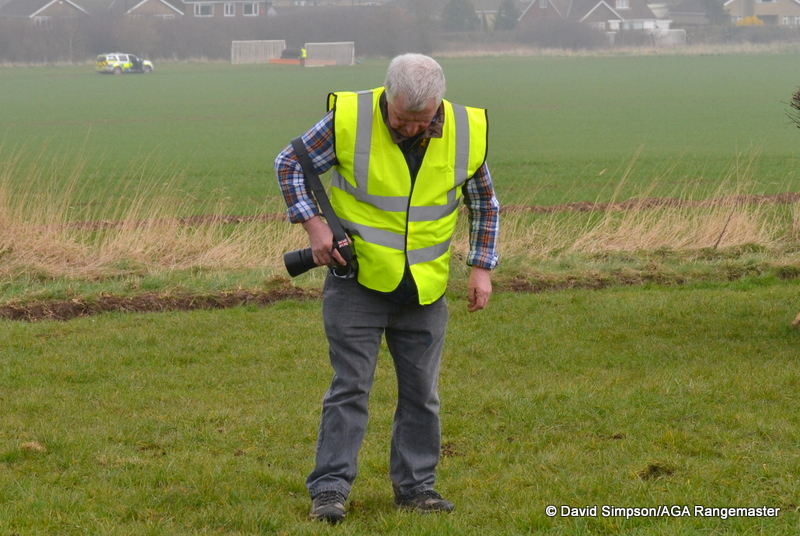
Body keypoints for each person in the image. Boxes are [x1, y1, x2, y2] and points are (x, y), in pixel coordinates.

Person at [274, 53, 499, 523]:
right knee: (350, 388)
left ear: (438, 102)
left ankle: (417, 489)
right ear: (387, 94)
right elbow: (289, 163)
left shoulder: (463, 128)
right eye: (403, 118)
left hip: (426, 289)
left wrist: (481, 267)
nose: (414, 128)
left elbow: (484, 203)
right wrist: (313, 226)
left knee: (422, 393)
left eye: (424, 119)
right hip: (357, 283)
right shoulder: (350, 118)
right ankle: (331, 490)